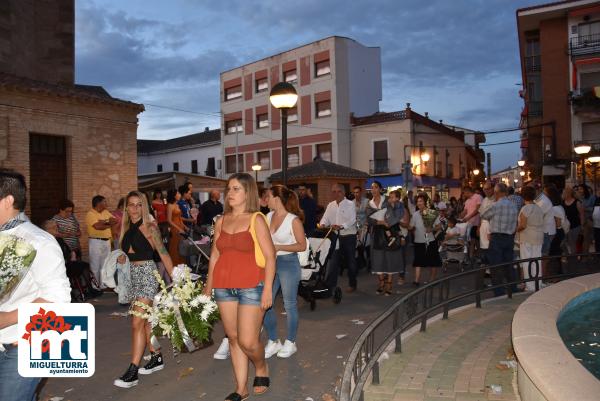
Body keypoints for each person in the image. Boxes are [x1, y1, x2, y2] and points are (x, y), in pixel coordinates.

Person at [203, 173, 275, 401]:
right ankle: (240, 388)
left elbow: (270, 256)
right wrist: (208, 287)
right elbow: (214, 255)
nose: (230, 193)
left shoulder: (256, 219)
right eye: (229, 189)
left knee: (248, 341)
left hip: (252, 285)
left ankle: (261, 367)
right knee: (233, 339)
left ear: (247, 193)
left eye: (236, 189)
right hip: (224, 286)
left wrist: (267, 290)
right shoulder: (221, 220)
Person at [0, 169, 71, 401]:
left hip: (26, 343)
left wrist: (5, 319)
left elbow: (58, 300)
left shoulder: (39, 241)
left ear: (8, 200)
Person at [113, 191, 174, 388]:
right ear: (126, 207)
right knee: (146, 322)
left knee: (137, 323)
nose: (135, 209)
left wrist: (177, 278)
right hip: (132, 277)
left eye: (139, 205)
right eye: (131, 205)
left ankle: (133, 371)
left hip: (148, 274)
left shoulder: (150, 227)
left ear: (144, 207)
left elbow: (164, 255)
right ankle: (156, 356)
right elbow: (127, 253)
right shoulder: (125, 227)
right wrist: (123, 258)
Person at [263, 185, 307, 359]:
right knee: (265, 303)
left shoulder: (293, 220)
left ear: (277, 198)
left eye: (268, 196)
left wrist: (279, 246)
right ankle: (273, 341)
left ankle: (291, 342)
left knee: (289, 304)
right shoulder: (267, 217)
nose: (266, 200)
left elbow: (302, 245)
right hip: (270, 264)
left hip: (288, 262)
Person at [481, 183, 518, 296]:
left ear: (497, 193)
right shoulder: (513, 205)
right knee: (508, 264)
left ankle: (499, 291)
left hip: (497, 237)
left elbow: (483, 214)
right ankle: (513, 288)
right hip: (509, 237)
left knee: (496, 266)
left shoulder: (495, 205)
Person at [320, 184, 358, 292]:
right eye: (333, 192)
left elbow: (352, 220)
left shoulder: (350, 204)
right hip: (334, 237)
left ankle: (352, 283)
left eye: (338, 191)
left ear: (343, 192)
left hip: (348, 236)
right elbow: (325, 218)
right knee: (333, 261)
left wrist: (341, 226)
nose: (335, 194)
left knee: (350, 262)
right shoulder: (330, 205)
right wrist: (322, 224)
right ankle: (330, 286)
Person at [369, 190, 408, 294]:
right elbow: (371, 220)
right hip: (379, 235)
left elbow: (402, 224)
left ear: (398, 198)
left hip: (392, 236)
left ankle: (389, 284)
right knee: (379, 260)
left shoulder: (400, 209)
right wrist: (380, 221)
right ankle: (381, 283)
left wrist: (402, 236)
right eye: (389, 197)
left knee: (390, 260)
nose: (390, 199)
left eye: (392, 197)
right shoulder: (384, 206)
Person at [516, 186, 544, 292]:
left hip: (527, 237)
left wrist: (515, 230)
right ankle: (538, 284)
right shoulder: (538, 208)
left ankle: (530, 286)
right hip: (538, 236)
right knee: (537, 260)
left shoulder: (525, 208)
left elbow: (523, 225)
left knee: (527, 261)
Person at [410, 193, 442, 285]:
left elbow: (439, 226)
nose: (418, 203)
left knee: (433, 262)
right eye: (417, 201)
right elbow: (411, 227)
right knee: (418, 261)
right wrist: (407, 226)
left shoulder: (432, 213)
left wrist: (431, 229)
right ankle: (416, 280)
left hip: (430, 241)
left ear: (425, 202)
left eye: (420, 201)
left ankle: (432, 281)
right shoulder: (415, 214)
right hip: (418, 241)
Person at [85, 195, 117, 289]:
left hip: (106, 241)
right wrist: (108, 223)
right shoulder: (90, 214)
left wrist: (103, 222)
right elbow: (97, 227)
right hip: (96, 241)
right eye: (104, 202)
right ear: (99, 203)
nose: (106, 203)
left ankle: (102, 284)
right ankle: (95, 286)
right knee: (95, 265)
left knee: (104, 264)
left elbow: (114, 220)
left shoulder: (106, 212)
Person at [460, 186, 482, 260]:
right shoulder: (467, 201)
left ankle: (473, 257)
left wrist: (468, 217)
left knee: (474, 241)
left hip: (476, 223)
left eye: (464, 193)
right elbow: (465, 211)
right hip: (469, 223)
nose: (463, 194)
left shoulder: (478, 197)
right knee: (473, 241)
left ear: (467, 191)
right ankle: (475, 256)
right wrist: (460, 216)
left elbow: (478, 209)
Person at [562, 185, 584, 257]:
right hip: (565, 226)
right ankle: (567, 255)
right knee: (562, 243)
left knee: (572, 243)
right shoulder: (562, 202)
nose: (563, 194)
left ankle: (573, 259)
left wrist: (582, 226)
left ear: (568, 193)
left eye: (564, 193)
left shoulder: (577, 202)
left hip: (575, 226)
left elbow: (581, 214)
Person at [166, 189, 186, 265]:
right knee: (175, 248)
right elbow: (169, 220)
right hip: (174, 228)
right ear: (174, 195)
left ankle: (182, 265)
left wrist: (184, 226)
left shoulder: (177, 205)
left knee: (181, 247)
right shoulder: (169, 206)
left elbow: (180, 218)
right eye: (178, 193)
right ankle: (175, 265)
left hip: (180, 227)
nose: (179, 194)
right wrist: (178, 228)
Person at [478, 182, 496, 264]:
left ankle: (491, 268)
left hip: (491, 226)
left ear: (493, 188)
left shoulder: (496, 199)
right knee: (483, 247)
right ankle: (486, 267)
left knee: (491, 248)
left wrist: (490, 231)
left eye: (488, 189)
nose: (486, 191)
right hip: (483, 226)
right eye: (484, 189)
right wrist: (479, 227)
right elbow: (480, 214)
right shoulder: (484, 200)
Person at [353, 186, 369, 270]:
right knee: (358, 244)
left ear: (361, 193)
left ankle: (367, 260)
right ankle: (362, 260)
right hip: (356, 226)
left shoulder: (366, 201)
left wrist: (366, 224)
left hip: (365, 225)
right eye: (354, 192)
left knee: (365, 243)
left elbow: (368, 214)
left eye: (357, 192)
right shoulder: (352, 203)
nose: (356, 194)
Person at [578, 184, 596, 253]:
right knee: (585, 238)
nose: (579, 190)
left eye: (581, 189)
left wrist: (585, 209)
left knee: (593, 237)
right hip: (582, 220)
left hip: (590, 219)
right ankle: (585, 255)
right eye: (578, 189)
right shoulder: (579, 198)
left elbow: (595, 208)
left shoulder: (592, 197)